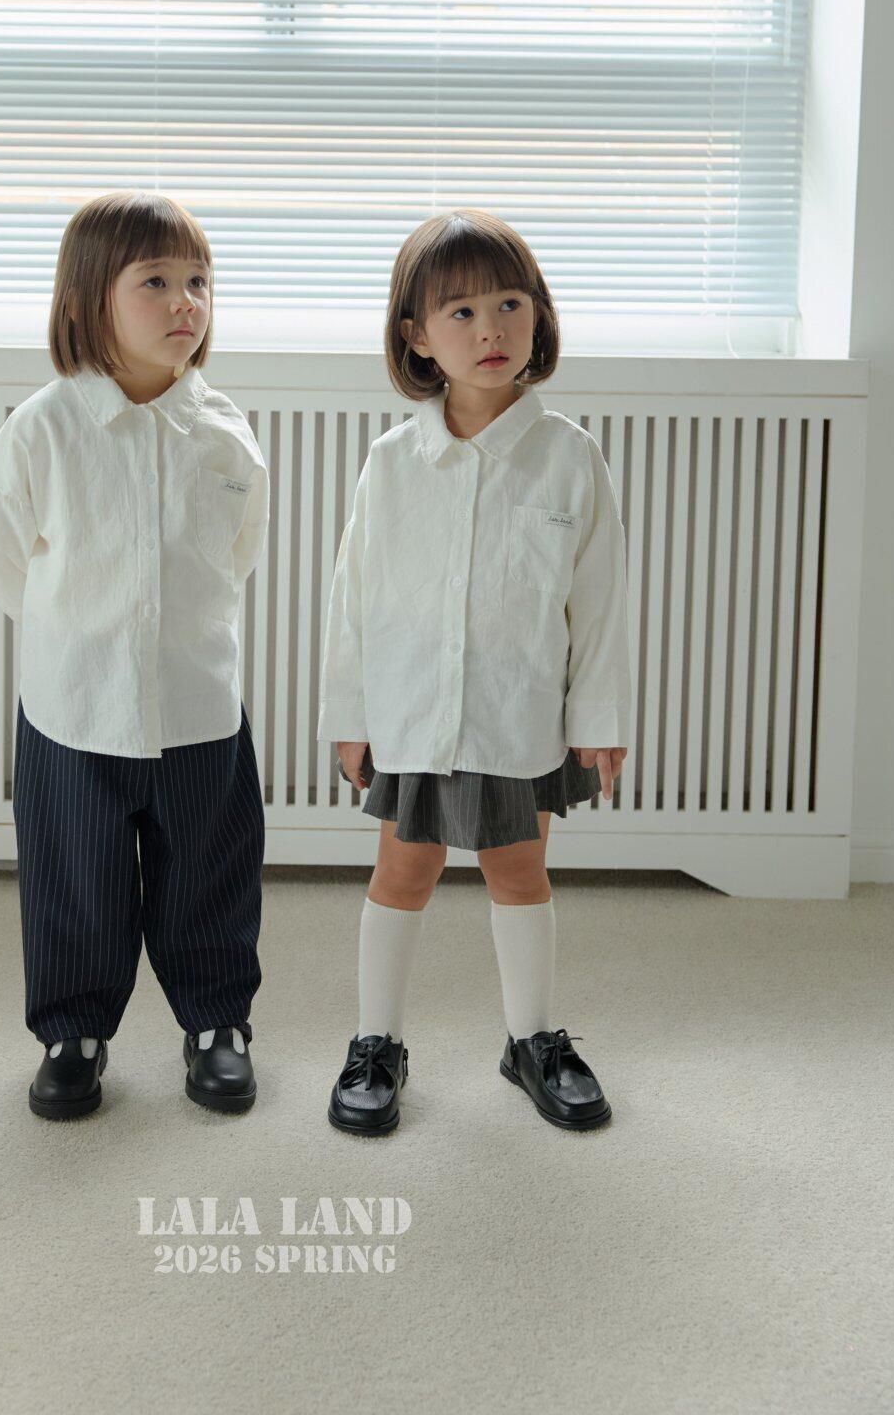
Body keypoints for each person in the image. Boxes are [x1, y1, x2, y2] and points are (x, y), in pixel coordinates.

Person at [0, 190, 269, 1120]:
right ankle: (74, 1033)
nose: (185, 302)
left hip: (195, 702)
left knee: (208, 870)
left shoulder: (223, 431)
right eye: (156, 283)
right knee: (74, 878)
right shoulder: (46, 426)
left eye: (199, 282)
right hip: (75, 706)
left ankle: (217, 1023)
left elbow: (239, 550)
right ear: (93, 299)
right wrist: (65, 628)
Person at [318, 208, 632, 1134]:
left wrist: (599, 717)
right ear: (417, 336)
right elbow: (353, 595)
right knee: (402, 872)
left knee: (519, 871)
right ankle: (376, 1042)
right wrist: (350, 712)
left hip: (517, 713)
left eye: (508, 304)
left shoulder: (570, 457)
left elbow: (600, 602)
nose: (489, 328)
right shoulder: (392, 462)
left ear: (538, 316)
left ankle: (531, 1040)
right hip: (414, 714)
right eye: (460, 312)